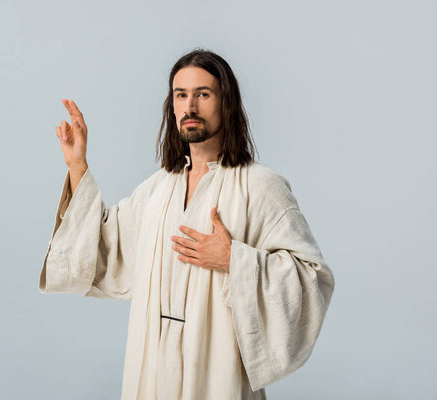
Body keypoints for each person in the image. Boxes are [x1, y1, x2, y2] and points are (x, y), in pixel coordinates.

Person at [39, 49, 335, 400]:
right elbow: (103, 247)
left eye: (203, 94)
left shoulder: (261, 187)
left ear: (227, 103)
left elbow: (312, 278)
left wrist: (234, 259)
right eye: (181, 95)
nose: (190, 107)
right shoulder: (159, 188)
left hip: (216, 371)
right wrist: (77, 166)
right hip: (152, 367)